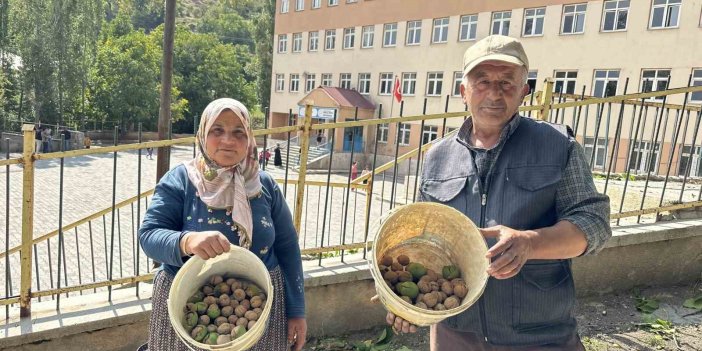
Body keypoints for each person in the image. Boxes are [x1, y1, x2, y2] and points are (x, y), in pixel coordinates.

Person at [386, 35, 611, 350]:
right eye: (482, 82)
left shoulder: (558, 146)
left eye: (507, 83)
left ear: (524, 92)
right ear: (464, 91)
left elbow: (594, 223)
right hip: (456, 335)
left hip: (540, 336)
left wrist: (530, 243)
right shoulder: (437, 156)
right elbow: (425, 241)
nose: (494, 93)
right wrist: (407, 303)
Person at [139, 98, 307, 351]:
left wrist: (297, 310)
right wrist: (187, 241)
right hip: (189, 306)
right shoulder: (181, 181)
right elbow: (149, 236)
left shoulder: (264, 185)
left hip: (258, 308)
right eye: (217, 130)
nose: (228, 140)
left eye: (238, 132)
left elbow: (288, 247)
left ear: (249, 138)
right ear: (203, 135)